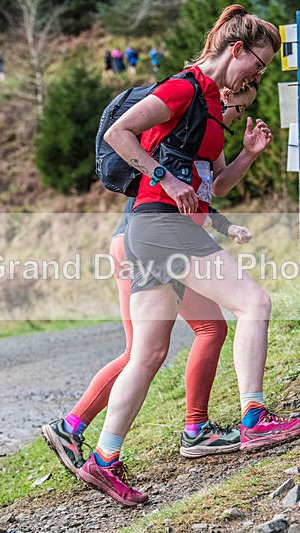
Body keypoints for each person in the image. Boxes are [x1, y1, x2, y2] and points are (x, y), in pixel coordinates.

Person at [81, 5, 300, 507]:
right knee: (254, 303)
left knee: (149, 353)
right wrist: (163, 177)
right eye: (261, 62)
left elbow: (214, 188)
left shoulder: (211, 110)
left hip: (155, 230)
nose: (260, 72)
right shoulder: (183, 89)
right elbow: (117, 133)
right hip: (160, 224)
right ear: (236, 50)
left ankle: (102, 459)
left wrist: (247, 154)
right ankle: (253, 417)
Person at [41, 84, 260, 476]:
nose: (238, 117)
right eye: (239, 107)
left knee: (150, 348)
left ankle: (74, 427)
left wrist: (230, 209)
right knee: (194, 334)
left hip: (139, 241)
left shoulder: (206, 140)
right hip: (145, 241)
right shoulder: (189, 123)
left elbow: (206, 195)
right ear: (224, 95)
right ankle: (194, 430)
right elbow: (177, 193)